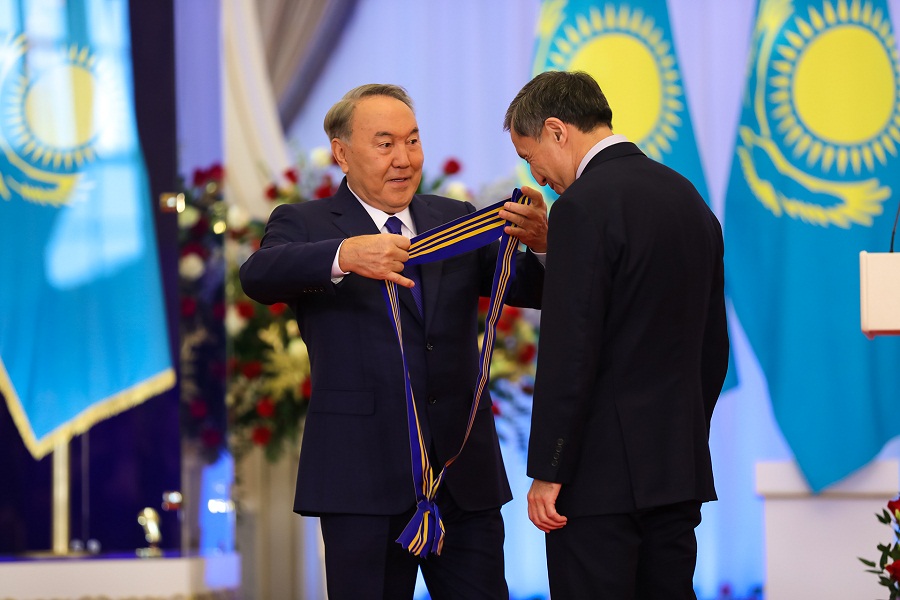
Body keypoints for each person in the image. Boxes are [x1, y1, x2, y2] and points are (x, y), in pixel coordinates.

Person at [239, 83, 547, 600]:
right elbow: (258, 275)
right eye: (385, 144)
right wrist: (344, 256)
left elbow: (532, 289)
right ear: (342, 153)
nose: (404, 158)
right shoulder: (307, 223)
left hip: (461, 474)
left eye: (413, 141)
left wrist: (543, 244)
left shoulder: (454, 217)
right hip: (361, 479)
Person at [504, 70, 729, 599]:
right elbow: (712, 346)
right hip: (677, 473)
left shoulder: (581, 208)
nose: (536, 177)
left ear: (557, 131)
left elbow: (570, 352)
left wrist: (550, 468)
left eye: (530, 155)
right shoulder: (689, 199)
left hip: (598, 485)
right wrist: (681, 437)